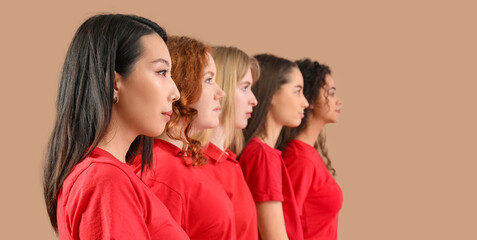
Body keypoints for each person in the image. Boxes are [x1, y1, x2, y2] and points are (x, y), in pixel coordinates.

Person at [43, 14, 189, 239]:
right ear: (113, 84)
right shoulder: (105, 180)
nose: (175, 93)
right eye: (161, 72)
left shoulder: (109, 175)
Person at [134, 36, 236, 240]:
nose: (221, 93)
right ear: (181, 85)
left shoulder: (182, 160)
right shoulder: (160, 172)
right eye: (208, 80)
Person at [240, 53, 309, 240]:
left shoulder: (266, 153)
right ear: (271, 94)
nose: (305, 102)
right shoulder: (262, 155)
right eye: (297, 91)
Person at [277, 59, 343, 240]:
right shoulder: (300, 158)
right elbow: (285, 226)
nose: (338, 101)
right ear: (311, 99)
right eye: (331, 93)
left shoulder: (309, 154)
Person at [200, 46, 260, 240]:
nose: (254, 100)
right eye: (244, 87)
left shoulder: (231, 163)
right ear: (221, 88)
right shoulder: (197, 165)